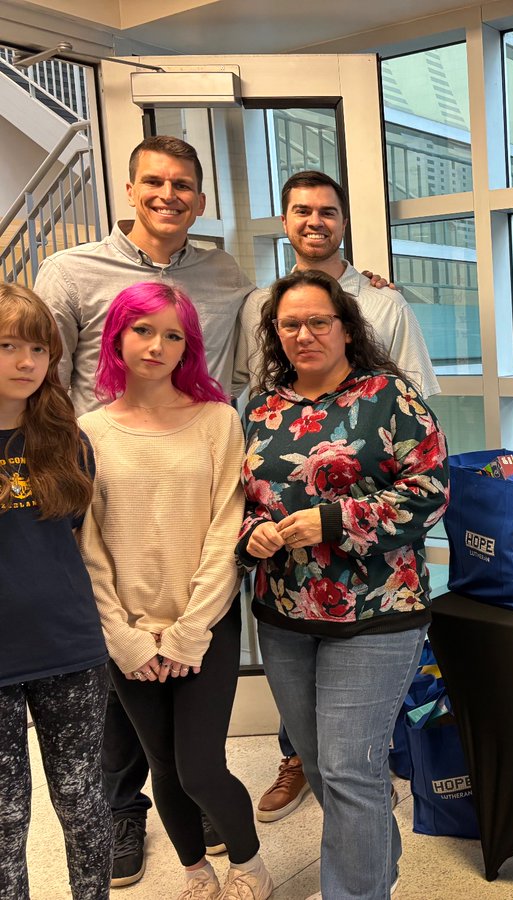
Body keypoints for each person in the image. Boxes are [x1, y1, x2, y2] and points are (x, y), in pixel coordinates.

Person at [35, 134, 259, 885]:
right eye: (154, 182)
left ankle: (208, 814)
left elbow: (262, 345)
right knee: (133, 731)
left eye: (183, 185)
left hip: (190, 492)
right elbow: (41, 368)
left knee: (196, 760)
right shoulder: (70, 270)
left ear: (200, 199)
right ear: (129, 189)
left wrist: (354, 283)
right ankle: (131, 817)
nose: (168, 195)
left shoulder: (223, 274)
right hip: (107, 483)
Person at [239, 269, 448, 899]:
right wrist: (253, 532)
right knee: (322, 766)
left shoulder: (392, 397)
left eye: (318, 321)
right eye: (290, 324)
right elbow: (236, 499)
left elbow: (430, 493)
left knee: (349, 768)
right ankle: (377, 867)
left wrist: (332, 521)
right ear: (275, 333)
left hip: (377, 611)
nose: (304, 334)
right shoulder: (259, 407)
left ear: (347, 328)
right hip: (283, 614)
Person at [78, 282, 272, 900]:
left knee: (201, 768)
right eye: (143, 330)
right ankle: (195, 873)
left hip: (205, 624)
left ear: (188, 347)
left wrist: (190, 631)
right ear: (117, 336)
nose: (156, 346)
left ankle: (251, 866)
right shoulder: (88, 431)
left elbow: (226, 529)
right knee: (162, 766)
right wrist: (124, 637)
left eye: (173, 335)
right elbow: (88, 547)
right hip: (129, 633)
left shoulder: (218, 421)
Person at [0, 284, 112, 899]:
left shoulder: (66, 440)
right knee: (5, 817)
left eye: (39, 348)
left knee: (82, 800)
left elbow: (71, 535)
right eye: (8, 346)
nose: (27, 362)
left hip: (69, 648)